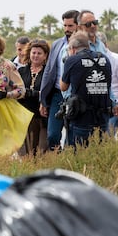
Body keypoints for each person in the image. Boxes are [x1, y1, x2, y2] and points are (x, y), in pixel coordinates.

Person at [60, 31, 118, 147]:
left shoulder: (72, 60)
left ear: (72, 48)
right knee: (100, 152)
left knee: (78, 153)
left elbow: (63, 86)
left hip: (82, 116)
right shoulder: (104, 58)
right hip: (102, 116)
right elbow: (108, 84)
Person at [39, 10, 80, 151]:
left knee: (72, 135)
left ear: (78, 25)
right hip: (57, 95)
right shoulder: (57, 44)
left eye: (70, 26)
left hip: (76, 96)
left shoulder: (85, 46)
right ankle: (57, 158)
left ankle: (68, 163)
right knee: (52, 135)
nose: (67, 29)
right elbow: (48, 71)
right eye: (65, 26)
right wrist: (43, 100)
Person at [18, 39, 50, 156]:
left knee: (42, 151)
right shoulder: (21, 71)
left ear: (45, 55)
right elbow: (17, 91)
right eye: (34, 53)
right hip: (25, 117)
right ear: (29, 53)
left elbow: (49, 92)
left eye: (39, 53)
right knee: (27, 153)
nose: (36, 56)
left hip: (42, 117)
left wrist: (32, 93)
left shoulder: (48, 72)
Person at [97, 32, 118, 134]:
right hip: (99, 102)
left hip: (116, 102)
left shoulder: (117, 60)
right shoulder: (91, 59)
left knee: (108, 135)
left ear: (105, 45)